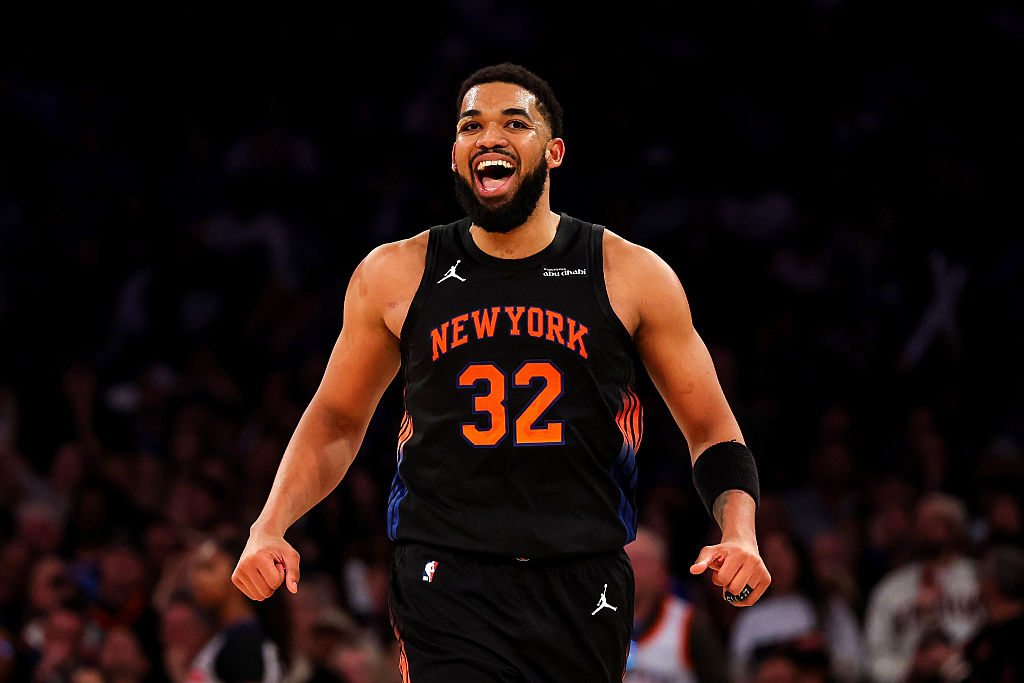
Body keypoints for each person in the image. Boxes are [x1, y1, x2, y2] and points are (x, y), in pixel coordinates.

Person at [233, 62, 770, 681]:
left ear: (555, 150)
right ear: (456, 154)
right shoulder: (395, 273)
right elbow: (335, 419)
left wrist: (740, 533)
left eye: (516, 123)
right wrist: (270, 525)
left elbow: (714, 432)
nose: (490, 136)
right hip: (447, 574)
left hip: (582, 574)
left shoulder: (630, 274)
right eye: (471, 126)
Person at [863, 492, 984, 683]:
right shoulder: (890, 588)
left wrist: (955, 663)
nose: (928, 529)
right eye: (922, 522)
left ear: (956, 528)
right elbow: (875, 653)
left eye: (937, 521)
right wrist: (910, 669)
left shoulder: (980, 578)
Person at [624, 526, 729, 683]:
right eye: (625, 560)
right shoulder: (596, 618)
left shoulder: (689, 624)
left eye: (639, 561)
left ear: (661, 571)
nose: (631, 569)